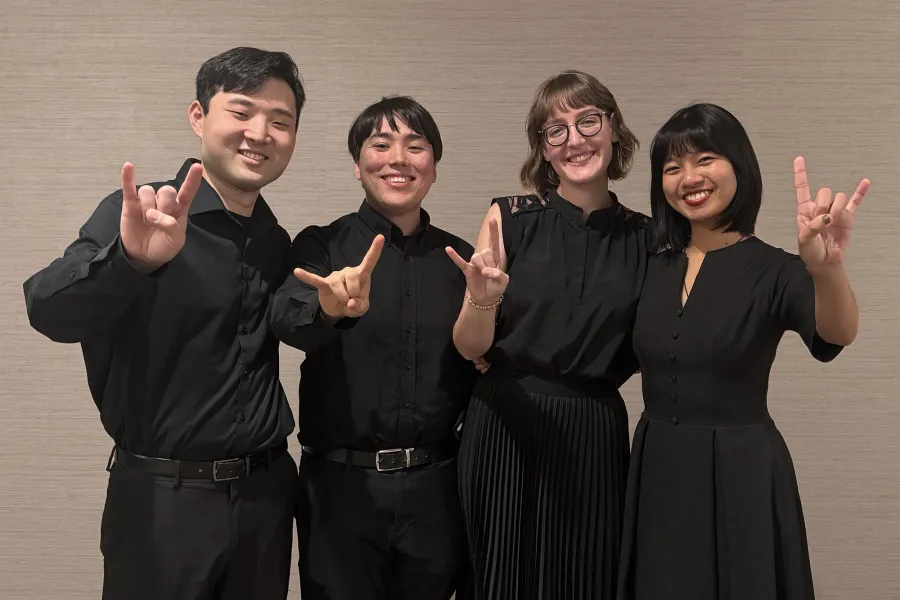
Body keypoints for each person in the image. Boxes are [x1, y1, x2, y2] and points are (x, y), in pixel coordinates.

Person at [22, 47, 306, 600]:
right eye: (241, 112)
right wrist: (132, 260)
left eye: (281, 121)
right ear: (199, 117)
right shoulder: (142, 210)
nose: (260, 133)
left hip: (266, 498)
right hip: (162, 498)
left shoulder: (276, 241)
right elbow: (47, 309)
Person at [615, 103, 868, 600]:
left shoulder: (777, 269)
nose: (689, 177)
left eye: (704, 159)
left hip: (744, 471)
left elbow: (838, 334)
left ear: (739, 165)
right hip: (659, 466)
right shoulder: (649, 262)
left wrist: (826, 269)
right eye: (672, 167)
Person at [445, 70, 651, 599]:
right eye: (555, 130)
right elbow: (470, 347)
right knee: (499, 578)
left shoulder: (647, 238)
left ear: (614, 129)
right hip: (502, 419)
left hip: (593, 427)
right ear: (543, 149)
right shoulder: (509, 217)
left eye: (587, 121)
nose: (574, 139)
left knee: (586, 577)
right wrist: (483, 297)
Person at [271, 95, 478, 600]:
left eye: (416, 145)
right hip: (341, 488)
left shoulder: (463, 261)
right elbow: (286, 318)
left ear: (433, 165)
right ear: (358, 166)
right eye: (380, 144)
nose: (398, 158)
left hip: (438, 487)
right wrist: (332, 309)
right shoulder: (320, 246)